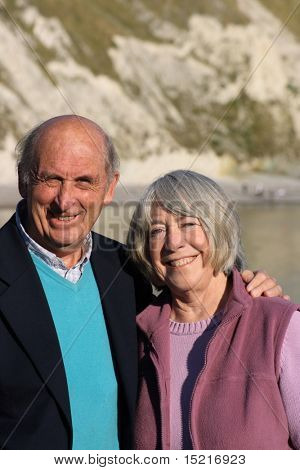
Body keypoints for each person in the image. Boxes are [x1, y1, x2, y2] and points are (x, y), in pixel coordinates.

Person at [0, 115, 285, 450]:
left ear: (108, 188)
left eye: (84, 181)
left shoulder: (126, 271)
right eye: (51, 179)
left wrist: (249, 292)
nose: (66, 200)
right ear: (23, 179)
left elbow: (191, 297)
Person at [127, 170, 300, 450]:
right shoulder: (136, 335)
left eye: (188, 224)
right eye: (158, 231)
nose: (173, 243)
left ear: (218, 229)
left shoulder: (280, 327)